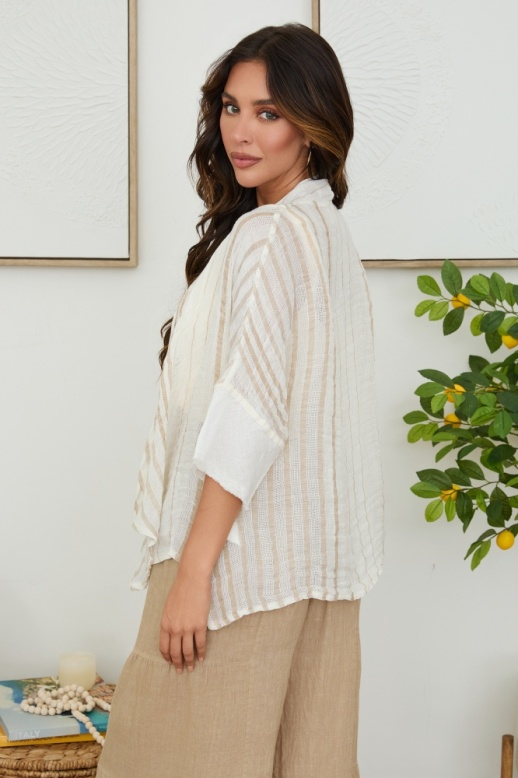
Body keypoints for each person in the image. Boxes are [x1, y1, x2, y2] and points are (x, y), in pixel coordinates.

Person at [96, 22, 384, 778]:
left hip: (237, 570)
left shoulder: (273, 236)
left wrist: (194, 574)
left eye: (268, 112)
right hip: (315, 574)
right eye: (231, 107)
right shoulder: (327, 232)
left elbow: (249, 416)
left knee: (166, 759)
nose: (240, 133)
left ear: (312, 126)